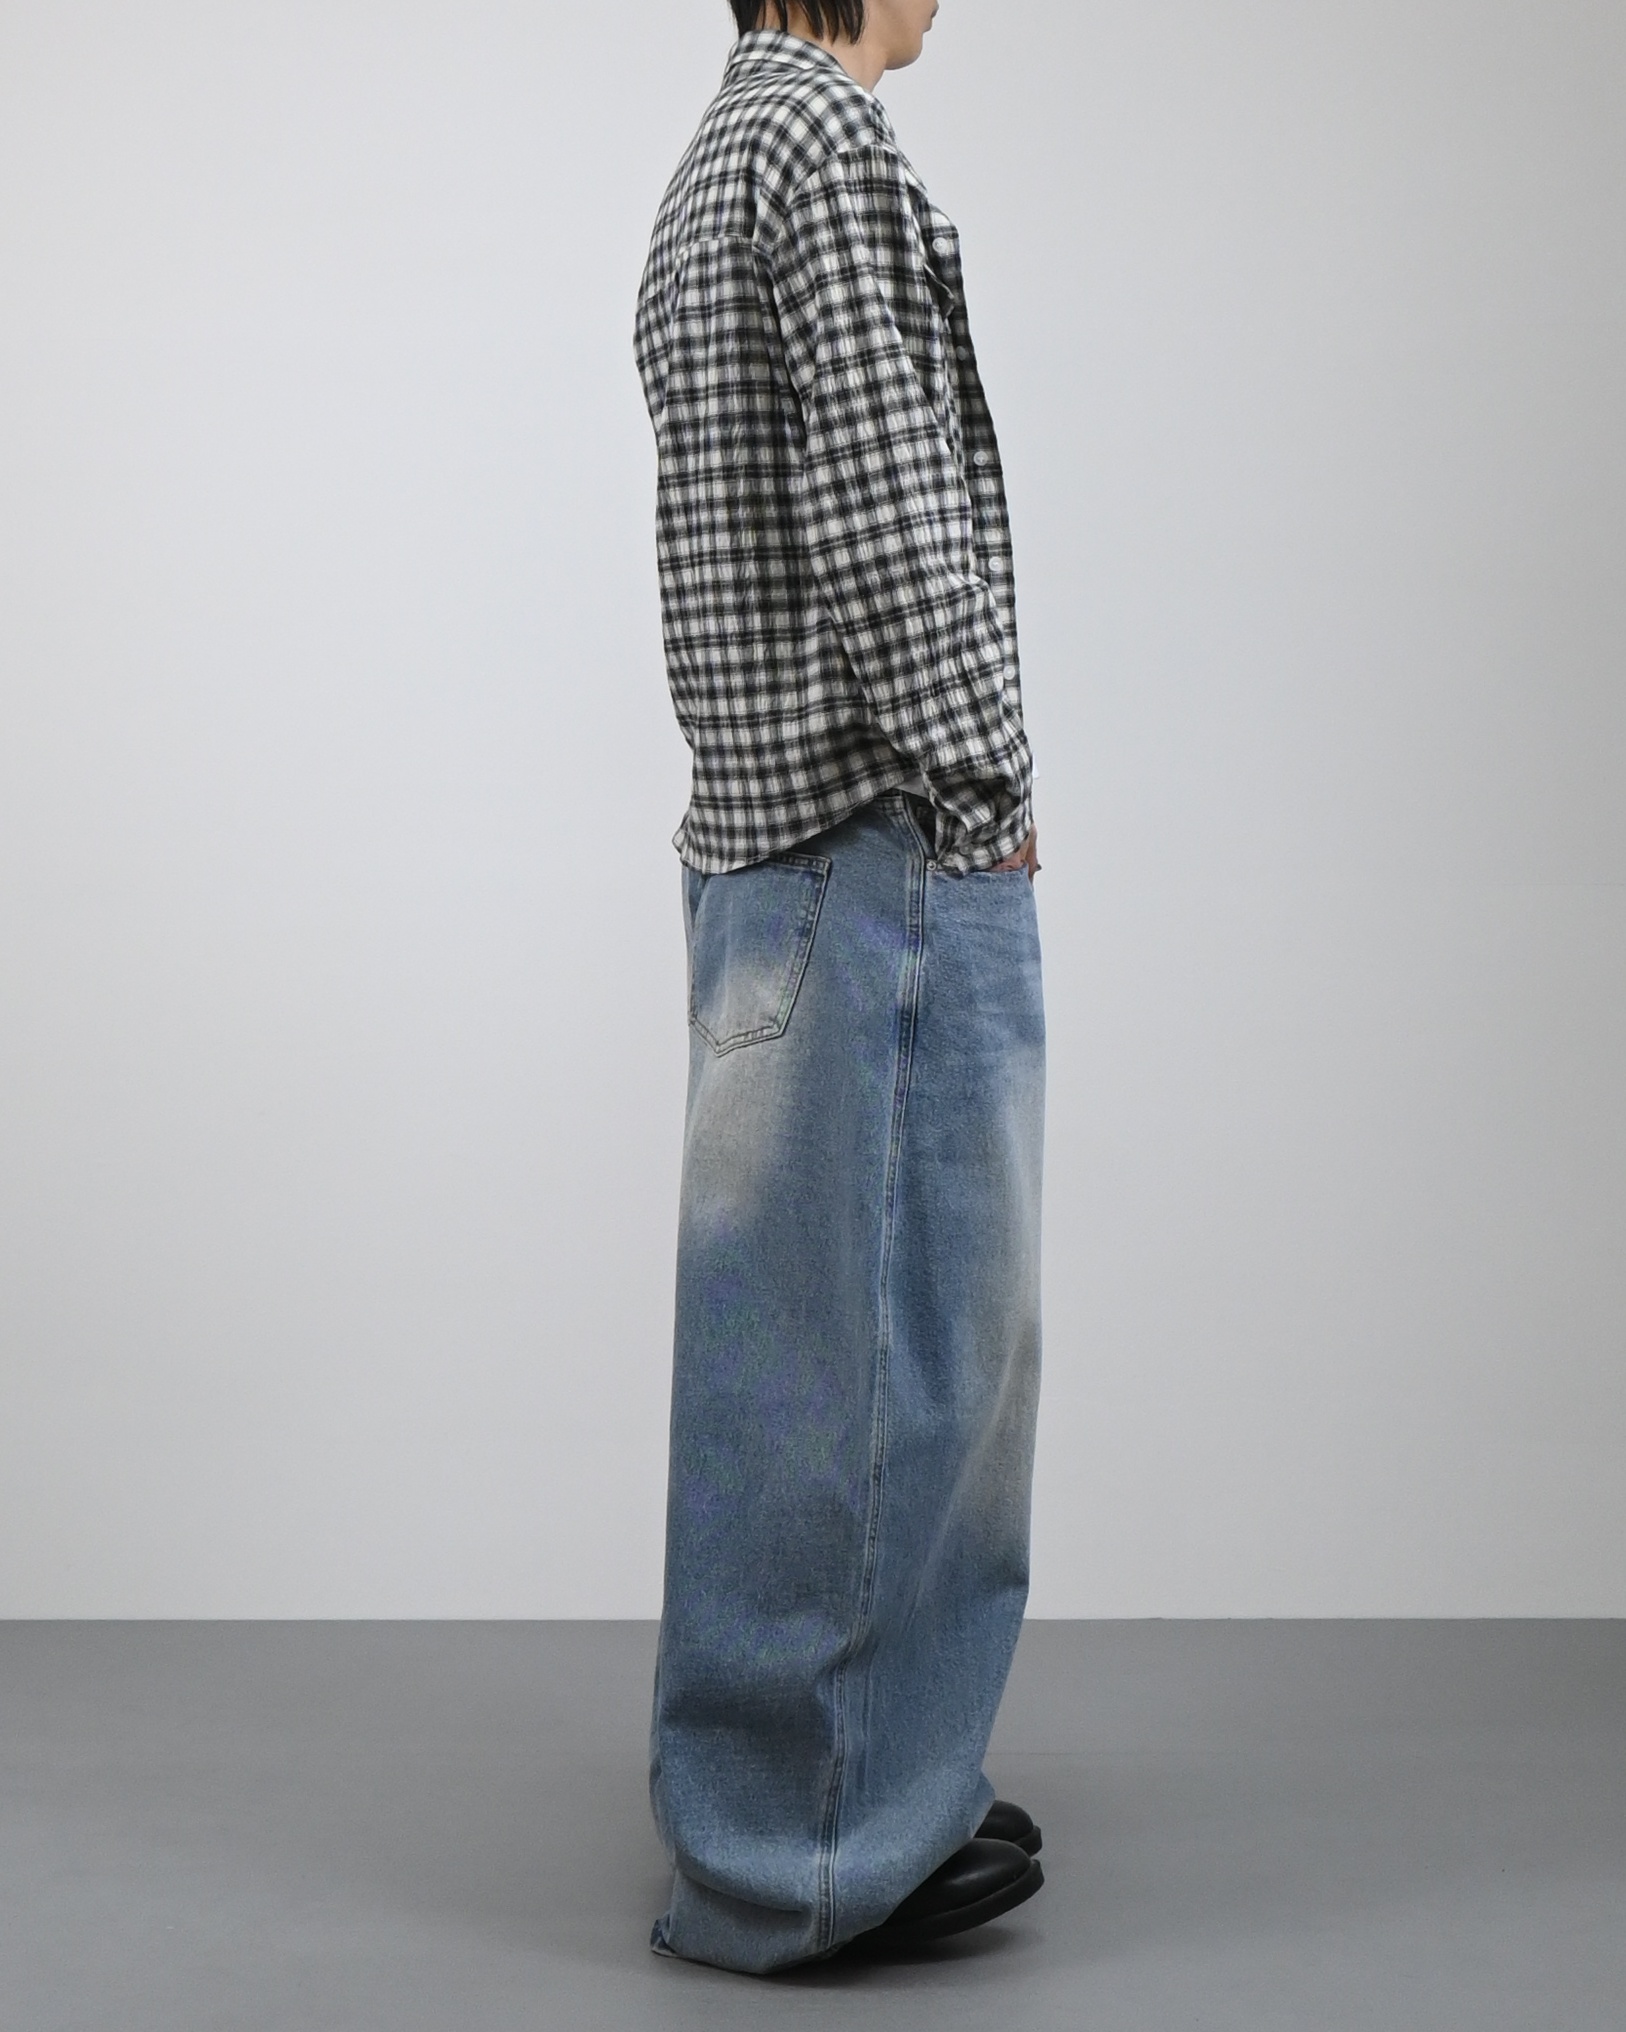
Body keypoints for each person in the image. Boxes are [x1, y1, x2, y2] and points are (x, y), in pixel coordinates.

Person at [634, 0, 1045, 1973]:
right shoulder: (826, 147)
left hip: (759, 858)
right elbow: (889, 525)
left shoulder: (715, 157)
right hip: (877, 848)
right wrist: (991, 783)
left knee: (790, 1370)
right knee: (912, 1358)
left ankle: (839, 1785)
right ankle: (821, 1849)